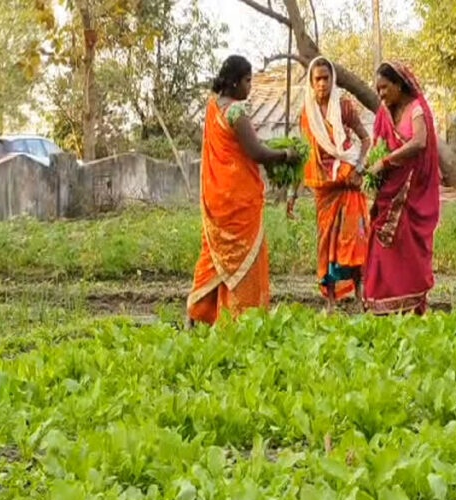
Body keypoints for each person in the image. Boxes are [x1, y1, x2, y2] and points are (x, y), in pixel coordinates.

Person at [187, 55, 299, 326]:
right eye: (248, 81)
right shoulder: (236, 112)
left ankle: (196, 316)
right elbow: (256, 151)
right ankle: (242, 320)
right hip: (238, 201)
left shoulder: (213, 107)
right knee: (244, 259)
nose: (250, 87)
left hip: (217, 199)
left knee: (213, 256)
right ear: (235, 82)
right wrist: (286, 154)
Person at [363, 61, 441, 315]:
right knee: (382, 248)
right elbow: (377, 144)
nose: (381, 94)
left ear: (399, 85)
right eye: (378, 89)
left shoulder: (416, 109)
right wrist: (370, 163)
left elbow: (419, 141)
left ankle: (409, 303)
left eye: (385, 87)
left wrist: (385, 162)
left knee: (408, 250)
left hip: (410, 193)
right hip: (388, 191)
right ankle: (382, 303)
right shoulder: (385, 114)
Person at [296, 57, 371, 312]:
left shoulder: (344, 107)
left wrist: (359, 167)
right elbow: (306, 154)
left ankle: (360, 296)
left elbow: (365, 139)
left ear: (332, 80)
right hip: (324, 187)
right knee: (326, 242)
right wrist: (293, 192)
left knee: (354, 239)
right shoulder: (307, 115)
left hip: (348, 182)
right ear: (311, 82)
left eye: (326, 78)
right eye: (317, 79)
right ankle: (329, 302)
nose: (322, 84)